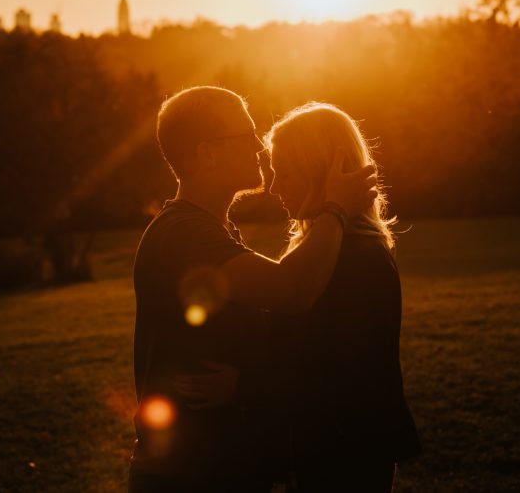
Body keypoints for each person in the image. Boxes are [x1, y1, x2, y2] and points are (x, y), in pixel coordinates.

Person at [129, 87, 377, 493]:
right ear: (207, 153)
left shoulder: (213, 230)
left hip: (214, 468)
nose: (259, 146)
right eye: (246, 136)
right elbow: (291, 289)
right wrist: (335, 208)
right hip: (189, 475)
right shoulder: (185, 235)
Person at [178, 101, 422, 492]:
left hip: (347, 458)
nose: (273, 188)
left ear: (324, 173)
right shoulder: (324, 251)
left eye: (285, 173)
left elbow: (349, 376)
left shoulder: (359, 259)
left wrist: (244, 386)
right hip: (322, 450)